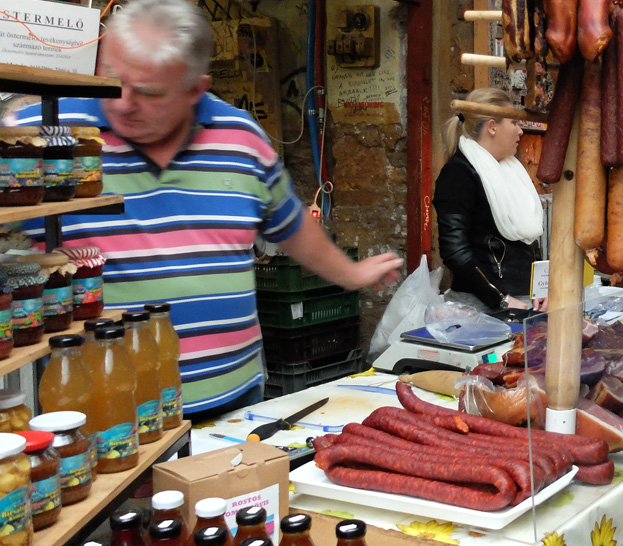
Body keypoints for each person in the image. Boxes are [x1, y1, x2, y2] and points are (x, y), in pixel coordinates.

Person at [12, 0, 403, 419]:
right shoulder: (45, 134)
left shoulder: (240, 138)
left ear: (196, 89)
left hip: (232, 402)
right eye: (113, 81)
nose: (124, 102)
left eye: (149, 93)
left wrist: (351, 273)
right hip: (103, 418)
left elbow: (289, 224)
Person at [434, 88, 546, 312]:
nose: (520, 131)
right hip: (480, 308)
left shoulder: (512, 170)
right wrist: (500, 299)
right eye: (514, 123)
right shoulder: (459, 172)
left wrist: (541, 288)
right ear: (492, 126)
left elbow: (529, 241)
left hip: (523, 303)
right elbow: (454, 250)